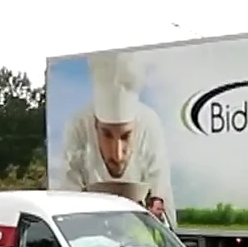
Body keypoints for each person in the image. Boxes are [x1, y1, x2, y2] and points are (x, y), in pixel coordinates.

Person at [60, 51, 176, 225]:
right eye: (107, 135)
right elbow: (65, 201)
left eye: (126, 136)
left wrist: (156, 207)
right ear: (95, 126)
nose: (117, 155)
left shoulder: (149, 125)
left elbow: (161, 191)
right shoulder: (78, 126)